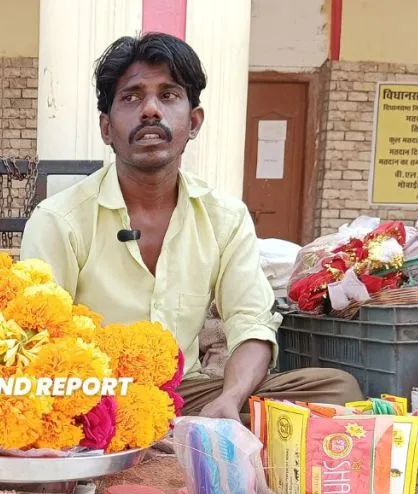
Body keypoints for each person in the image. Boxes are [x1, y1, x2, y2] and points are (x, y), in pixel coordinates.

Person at [20, 32, 363, 422]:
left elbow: (250, 323)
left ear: (194, 121)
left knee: (337, 391)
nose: (151, 110)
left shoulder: (224, 217)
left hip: (185, 394)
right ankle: (154, 435)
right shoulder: (59, 220)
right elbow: (35, 344)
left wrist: (230, 399)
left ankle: (186, 428)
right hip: (93, 396)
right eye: (131, 97)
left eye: (168, 95)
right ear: (106, 128)